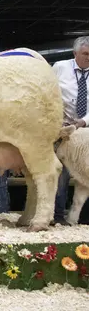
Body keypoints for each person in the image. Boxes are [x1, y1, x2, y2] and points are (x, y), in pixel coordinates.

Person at [52, 36, 89, 226]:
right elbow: (49, 93)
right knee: (60, 173)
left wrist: (83, 121)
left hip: (86, 133)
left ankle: (81, 219)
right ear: (75, 54)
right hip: (62, 131)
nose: (88, 57)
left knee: (86, 175)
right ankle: (56, 216)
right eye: (85, 54)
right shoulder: (59, 67)